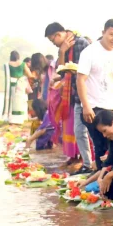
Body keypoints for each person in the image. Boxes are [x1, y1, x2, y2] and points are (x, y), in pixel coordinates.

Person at [77, 18, 113, 171]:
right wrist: (86, 106)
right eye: (112, 34)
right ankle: (100, 183)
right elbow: (80, 80)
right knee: (101, 145)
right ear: (103, 33)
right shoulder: (89, 52)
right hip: (94, 106)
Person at [45, 22, 93, 174]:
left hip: (88, 93)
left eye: (53, 40)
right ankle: (86, 164)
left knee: (90, 131)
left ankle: (94, 163)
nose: (54, 43)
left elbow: (86, 68)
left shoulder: (81, 43)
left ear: (59, 34)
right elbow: (62, 71)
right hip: (74, 93)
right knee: (78, 130)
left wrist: (67, 63)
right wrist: (62, 53)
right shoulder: (63, 48)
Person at [3, 50, 34, 124]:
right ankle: (21, 119)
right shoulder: (22, 64)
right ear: (18, 56)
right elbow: (30, 75)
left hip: (12, 85)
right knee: (21, 101)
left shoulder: (8, 64)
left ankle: (11, 119)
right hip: (21, 84)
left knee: (13, 102)